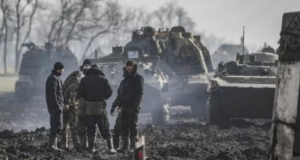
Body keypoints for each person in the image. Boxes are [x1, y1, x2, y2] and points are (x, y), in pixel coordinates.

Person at [77, 64, 116, 154]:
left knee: (91, 129)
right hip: (100, 107)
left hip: (89, 108)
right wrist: (103, 97)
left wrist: (88, 97)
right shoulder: (104, 79)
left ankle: (91, 148)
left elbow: (80, 92)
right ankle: (110, 148)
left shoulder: (84, 80)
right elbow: (110, 91)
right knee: (105, 127)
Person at [110, 60, 144, 153]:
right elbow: (120, 95)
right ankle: (124, 147)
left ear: (134, 67)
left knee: (133, 126)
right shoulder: (124, 81)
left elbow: (139, 94)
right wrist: (115, 106)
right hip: (124, 107)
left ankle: (134, 147)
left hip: (132, 106)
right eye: (128, 66)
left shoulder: (138, 78)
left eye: (131, 66)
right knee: (123, 127)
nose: (129, 67)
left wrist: (135, 106)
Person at [61, 59, 92, 151]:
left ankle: (64, 145)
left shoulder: (74, 76)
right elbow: (68, 91)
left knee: (65, 125)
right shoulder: (77, 79)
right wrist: (67, 103)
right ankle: (77, 146)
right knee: (74, 125)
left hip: (65, 103)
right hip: (70, 104)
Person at [45, 62, 66, 152]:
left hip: (57, 106)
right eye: (62, 69)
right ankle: (51, 146)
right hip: (55, 107)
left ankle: (54, 146)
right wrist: (58, 106)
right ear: (59, 69)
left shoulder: (56, 78)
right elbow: (53, 94)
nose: (63, 71)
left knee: (57, 126)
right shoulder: (53, 78)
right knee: (56, 126)